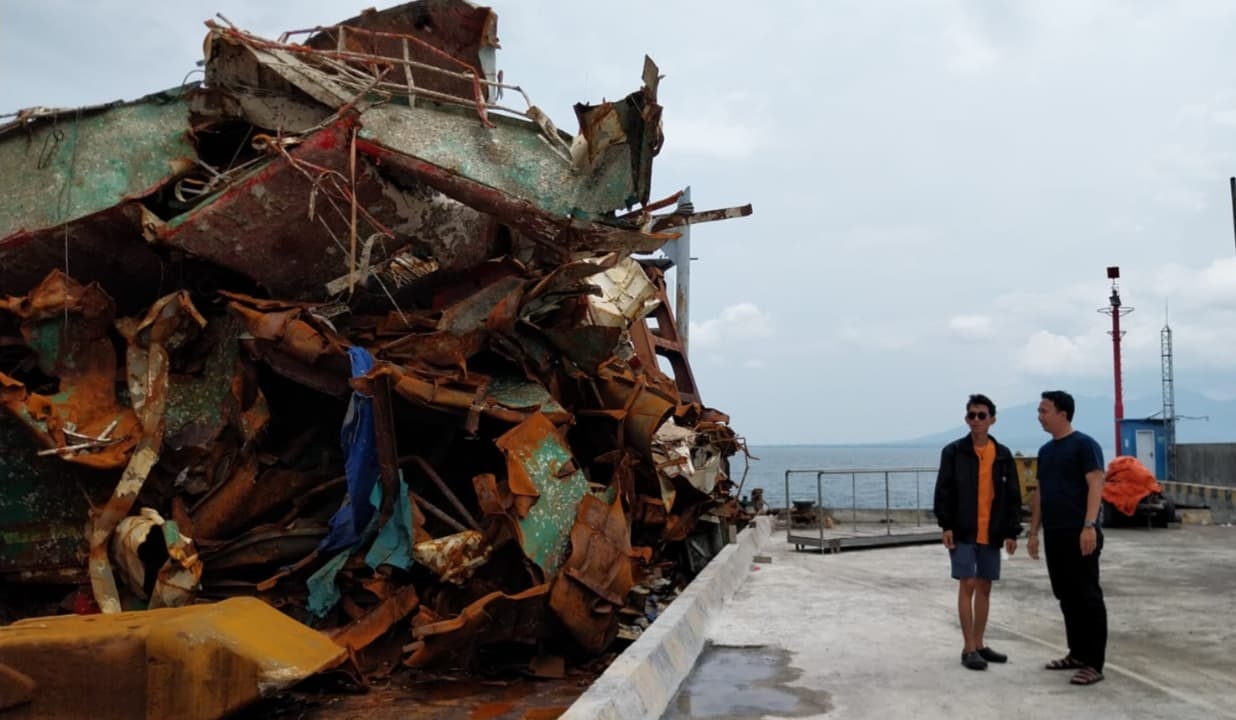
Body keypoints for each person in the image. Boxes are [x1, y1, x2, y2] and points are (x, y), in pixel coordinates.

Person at [933, 394, 1023, 671]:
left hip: (991, 530)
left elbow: (1012, 496)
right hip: (963, 529)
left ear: (992, 420)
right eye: (971, 415)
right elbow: (943, 490)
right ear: (966, 419)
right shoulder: (953, 452)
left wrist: (1011, 531)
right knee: (968, 583)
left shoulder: (1003, 455)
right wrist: (946, 525)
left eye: (981, 415)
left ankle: (980, 644)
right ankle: (968, 647)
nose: (976, 420)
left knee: (985, 585)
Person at [1027, 390, 1107, 686]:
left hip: (1080, 532)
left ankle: (1094, 663)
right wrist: (1033, 532)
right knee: (1066, 595)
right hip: (1055, 534)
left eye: (1044, 411)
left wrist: (1089, 525)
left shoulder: (1084, 445)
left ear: (1063, 414)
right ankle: (1077, 653)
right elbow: (1040, 493)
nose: (1039, 416)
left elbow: (1096, 483)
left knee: (1087, 596)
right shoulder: (1046, 451)